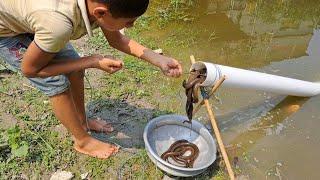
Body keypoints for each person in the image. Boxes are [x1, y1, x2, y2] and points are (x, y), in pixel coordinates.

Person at [0, 0, 182, 159]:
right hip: (7, 31)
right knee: (56, 84)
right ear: (100, 13)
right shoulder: (58, 25)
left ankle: (82, 121)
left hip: (36, 18)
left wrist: (159, 60)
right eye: (129, 21)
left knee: (76, 70)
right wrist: (90, 61)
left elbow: (116, 40)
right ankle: (82, 141)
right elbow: (31, 69)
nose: (132, 26)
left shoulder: (98, 5)